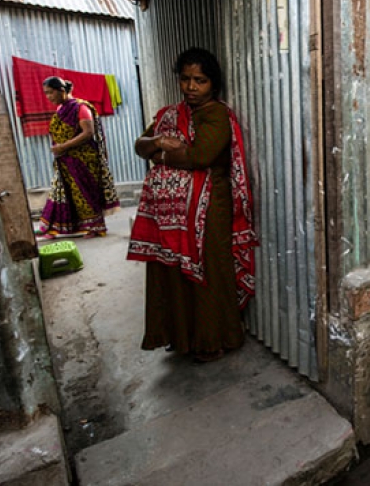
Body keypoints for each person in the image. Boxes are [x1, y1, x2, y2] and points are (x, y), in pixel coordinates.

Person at [127, 48, 256, 364]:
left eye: (200, 80)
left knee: (207, 273)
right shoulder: (168, 115)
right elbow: (139, 146)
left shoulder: (217, 115)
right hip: (170, 215)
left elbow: (200, 157)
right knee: (173, 276)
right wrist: (158, 143)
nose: (191, 87)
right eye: (185, 79)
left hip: (209, 209)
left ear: (213, 83)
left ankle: (215, 340)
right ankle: (180, 337)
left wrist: (159, 155)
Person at [34, 77, 120, 239]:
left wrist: (63, 146)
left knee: (86, 193)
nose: (48, 97)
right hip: (64, 159)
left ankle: (95, 227)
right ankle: (53, 227)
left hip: (83, 159)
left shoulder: (80, 107)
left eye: (50, 92)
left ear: (61, 90)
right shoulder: (61, 109)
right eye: (46, 94)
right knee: (61, 193)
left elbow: (88, 133)